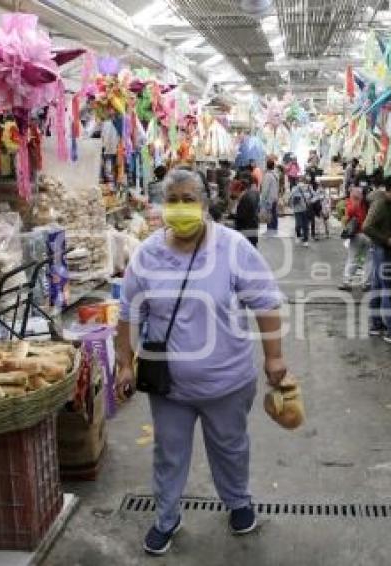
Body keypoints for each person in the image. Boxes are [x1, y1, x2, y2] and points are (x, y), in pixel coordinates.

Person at [114, 169, 287, 556]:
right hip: (169, 387)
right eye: (172, 199)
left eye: (188, 199)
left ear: (206, 205)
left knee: (230, 446)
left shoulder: (232, 247)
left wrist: (275, 357)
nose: (180, 207)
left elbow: (265, 301)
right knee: (169, 453)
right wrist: (124, 364)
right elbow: (127, 314)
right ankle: (166, 517)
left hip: (227, 382)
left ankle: (238, 502)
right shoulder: (148, 254)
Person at [363, 173, 391, 346]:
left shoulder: (387, 202)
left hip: (382, 252)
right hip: (385, 252)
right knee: (388, 292)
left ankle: (376, 324)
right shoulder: (381, 203)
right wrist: (386, 239)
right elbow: (367, 226)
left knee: (378, 288)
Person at [339, 186, 372, 292]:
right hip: (369, 234)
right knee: (369, 260)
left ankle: (347, 282)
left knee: (353, 258)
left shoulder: (351, 203)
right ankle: (367, 283)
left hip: (357, 234)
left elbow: (347, 216)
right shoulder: (368, 204)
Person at [290, 173, 315, 247]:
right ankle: (298, 235)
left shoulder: (309, 188)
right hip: (297, 210)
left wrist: (311, 200)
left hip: (306, 209)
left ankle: (305, 240)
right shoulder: (294, 188)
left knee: (305, 225)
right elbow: (291, 198)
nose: (301, 182)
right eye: (299, 180)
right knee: (298, 224)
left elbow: (314, 195)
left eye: (302, 180)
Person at [234, 178, 261, 248]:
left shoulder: (245, 199)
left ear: (240, 191)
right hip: (253, 226)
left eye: (236, 194)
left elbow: (241, 216)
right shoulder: (254, 193)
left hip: (247, 229)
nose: (237, 197)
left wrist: (233, 217)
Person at [260, 159, 280, 235]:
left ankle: (270, 230)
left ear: (266, 165)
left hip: (269, 198)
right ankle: (274, 229)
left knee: (269, 214)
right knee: (274, 214)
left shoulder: (267, 175)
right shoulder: (275, 174)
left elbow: (265, 189)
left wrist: (262, 199)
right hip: (275, 197)